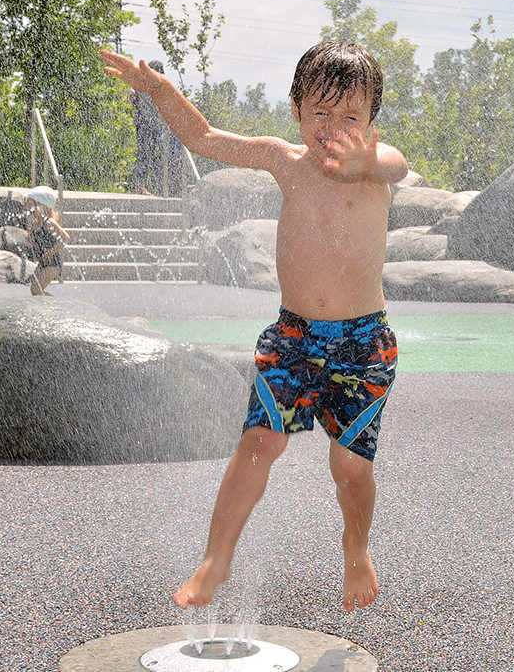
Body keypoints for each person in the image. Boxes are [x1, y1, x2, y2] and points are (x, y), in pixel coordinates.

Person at [99, 39, 409, 614]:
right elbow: (206, 139)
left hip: (364, 345)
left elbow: (397, 162)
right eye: (321, 112)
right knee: (257, 444)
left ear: (370, 124)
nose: (333, 129)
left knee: (349, 466)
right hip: (293, 339)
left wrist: (368, 161)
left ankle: (357, 546)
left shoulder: (374, 170)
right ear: (295, 109)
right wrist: (159, 90)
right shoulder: (284, 161)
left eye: (350, 118)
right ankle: (217, 558)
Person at [127, 61, 168, 195]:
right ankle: (139, 186)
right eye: (157, 72)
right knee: (143, 154)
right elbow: (129, 99)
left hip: (155, 126)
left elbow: (161, 108)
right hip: (143, 125)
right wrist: (131, 95)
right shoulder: (140, 84)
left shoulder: (158, 87)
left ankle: (148, 185)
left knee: (151, 156)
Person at [22, 186, 70, 296]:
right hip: (43, 262)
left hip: (52, 263)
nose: (30, 209)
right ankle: (47, 307)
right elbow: (31, 237)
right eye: (28, 205)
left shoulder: (49, 222)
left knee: (36, 289)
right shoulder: (36, 223)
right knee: (34, 289)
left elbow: (65, 238)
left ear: (45, 207)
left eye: (33, 205)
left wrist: (51, 252)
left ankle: (54, 308)